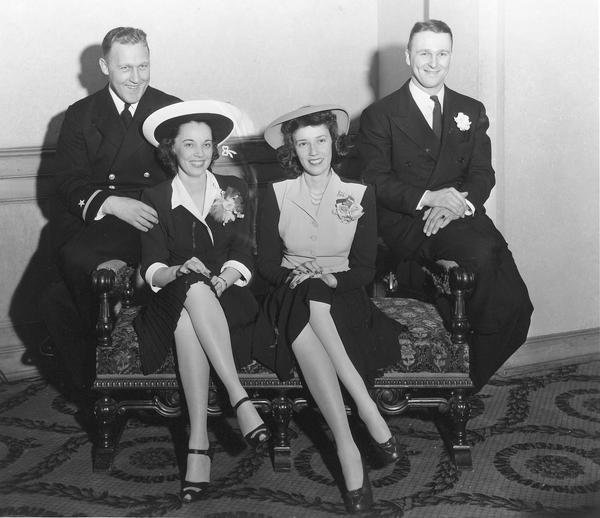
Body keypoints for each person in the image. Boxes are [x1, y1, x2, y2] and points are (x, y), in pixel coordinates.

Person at [357, 20, 533, 391]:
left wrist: (458, 204)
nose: (433, 63)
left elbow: (483, 174)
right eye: (424, 53)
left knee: (518, 306)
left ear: (451, 56)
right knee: (483, 257)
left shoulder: (470, 108)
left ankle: (461, 383)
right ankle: (459, 391)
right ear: (408, 57)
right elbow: (375, 181)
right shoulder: (381, 114)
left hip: (461, 214)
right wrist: (429, 198)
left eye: (442, 53)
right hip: (410, 219)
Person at [257, 105, 407, 514]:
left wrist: (331, 278)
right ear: (293, 149)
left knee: (314, 309)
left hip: (343, 296)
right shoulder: (275, 194)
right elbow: (268, 265)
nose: (313, 151)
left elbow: (364, 269)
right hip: (289, 292)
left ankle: (347, 445)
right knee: (307, 296)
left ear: (333, 142)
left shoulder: (359, 195)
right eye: (303, 143)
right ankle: (364, 417)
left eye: (320, 140)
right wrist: (299, 273)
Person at [136, 100, 272, 502]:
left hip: (227, 298)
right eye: (189, 144)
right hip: (172, 296)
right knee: (190, 287)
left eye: (207, 145)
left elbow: (245, 254)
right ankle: (239, 397)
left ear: (215, 149)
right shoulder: (156, 195)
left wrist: (225, 278)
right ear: (172, 149)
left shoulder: (232, 190)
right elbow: (152, 266)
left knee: (193, 304)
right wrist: (178, 273)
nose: (199, 153)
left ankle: (198, 442)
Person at [44, 27, 180, 389]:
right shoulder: (80, 114)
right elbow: (68, 181)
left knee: (70, 285)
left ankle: (116, 373)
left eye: (144, 67)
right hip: (102, 215)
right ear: (105, 66)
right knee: (60, 286)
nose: (136, 79)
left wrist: (150, 206)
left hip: (154, 217)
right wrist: (111, 202)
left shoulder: (170, 108)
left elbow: (190, 173)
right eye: (125, 69)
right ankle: (95, 388)